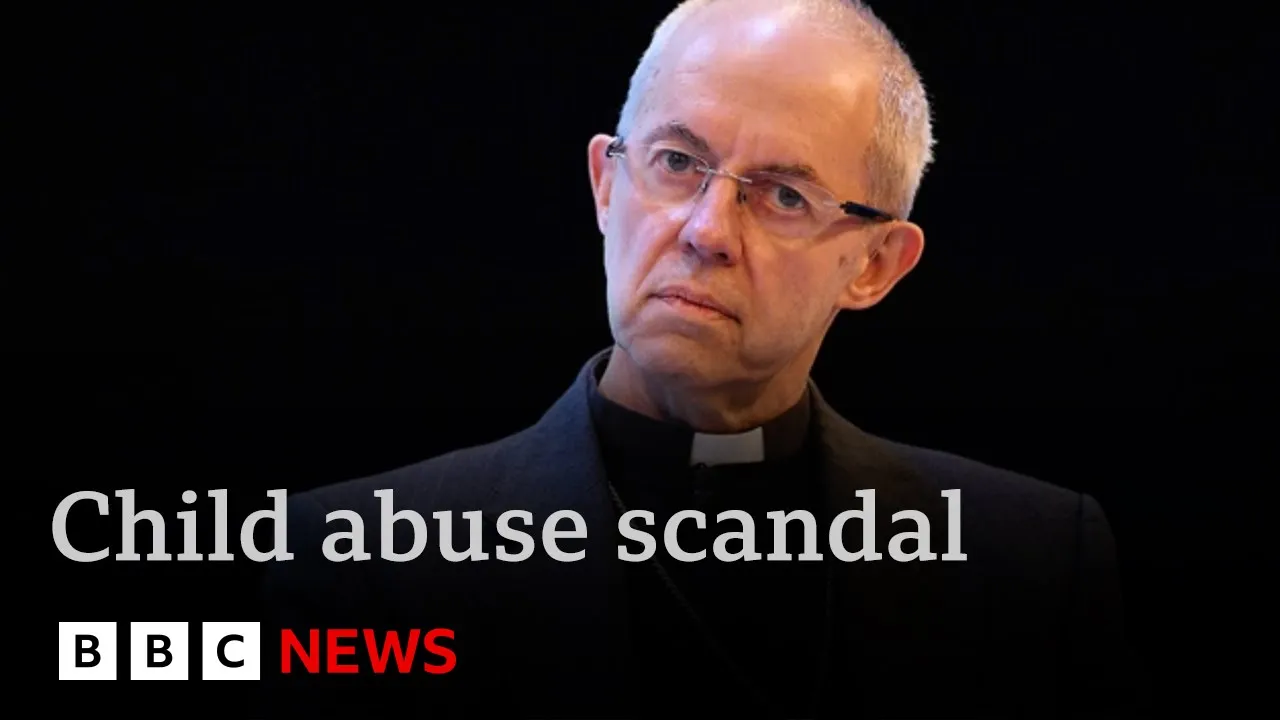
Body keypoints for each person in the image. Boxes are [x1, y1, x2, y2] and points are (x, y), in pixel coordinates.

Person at [260, 0, 1140, 716]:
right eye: (678, 161)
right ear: (607, 185)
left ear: (875, 265)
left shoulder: (1028, 564)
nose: (707, 231)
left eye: (783, 196)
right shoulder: (354, 564)